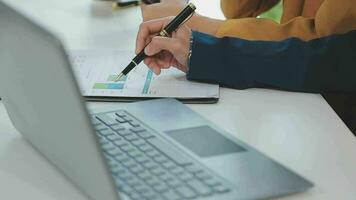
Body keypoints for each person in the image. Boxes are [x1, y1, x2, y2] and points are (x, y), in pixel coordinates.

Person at [136, 0, 356, 135]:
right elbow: (237, 8)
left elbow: (327, 44)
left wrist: (203, 31)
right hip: (298, 95)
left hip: (334, 116)